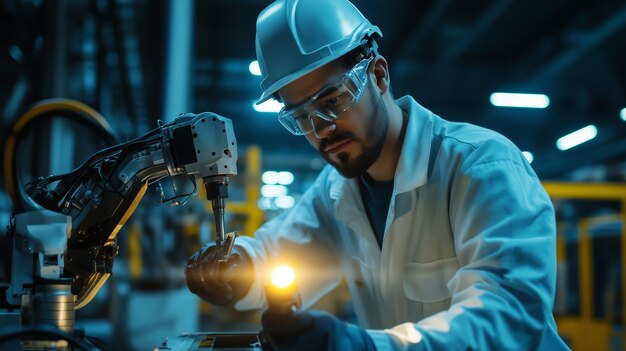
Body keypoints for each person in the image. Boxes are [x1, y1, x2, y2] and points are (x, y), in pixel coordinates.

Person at [185, 0, 570, 349]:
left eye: (332, 101)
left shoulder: (481, 166)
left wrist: (367, 347)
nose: (321, 129)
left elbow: (509, 317)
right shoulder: (337, 191)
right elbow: (280, 253)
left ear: (379, 75)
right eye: (300, 117)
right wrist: (236, 267)